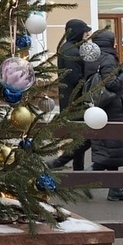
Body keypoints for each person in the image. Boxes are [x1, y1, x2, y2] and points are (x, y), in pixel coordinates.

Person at [84, 28, 123, 201]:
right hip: (113, 110)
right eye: (113, 40)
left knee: (113, 151)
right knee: (111, 151)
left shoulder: (95, 58)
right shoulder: (108, 59)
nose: (115, 43)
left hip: (105, 109)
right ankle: (87, 178)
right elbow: (112, 84)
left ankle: (115, 189)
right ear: (108, 42)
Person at [48, 18, 92, 170]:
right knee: (86, 138)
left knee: (78, 137)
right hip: (75, 102)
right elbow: (75, 79)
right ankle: (59, 162)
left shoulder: (67, 48)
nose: (87, 34)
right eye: (85, 31)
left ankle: (78, 170)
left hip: (70, 100)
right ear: (78, 32)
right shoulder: (72, 51)